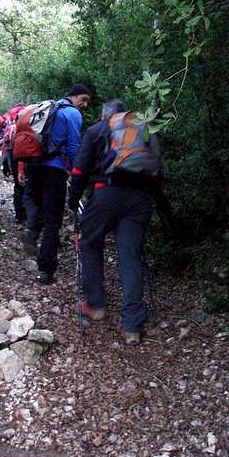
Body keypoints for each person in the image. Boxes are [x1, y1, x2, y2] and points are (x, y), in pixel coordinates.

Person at [67, 99, 161, 346]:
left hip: (107, 193)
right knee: (130, 255)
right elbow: (159, 169)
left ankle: (96, 304)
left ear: (106, 115)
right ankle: (131, 326)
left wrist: (73, 201)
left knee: (89, 242)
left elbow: (79, 171)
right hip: (140, 198)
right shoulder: (144, 129)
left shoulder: (98, 130)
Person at [21, 84, 92, 284]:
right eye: (83, 99)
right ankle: (46, 270)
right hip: (54, 170)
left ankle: (32, 231)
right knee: (53, 221)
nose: (84, 105)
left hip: (33, 166)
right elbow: (74, 146)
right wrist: (78, 172)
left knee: (38, 206)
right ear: (73, 96)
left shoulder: (45, 108)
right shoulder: (72, 114)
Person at [1, 103, 26, 222]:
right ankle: (25, 213)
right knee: (26, 183)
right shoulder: (26, 119)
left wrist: (5, 165)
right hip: (24, 153)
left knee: (17, 183)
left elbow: (5, 144)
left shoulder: (10, 125)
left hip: (11, 153)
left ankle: (18, 214)